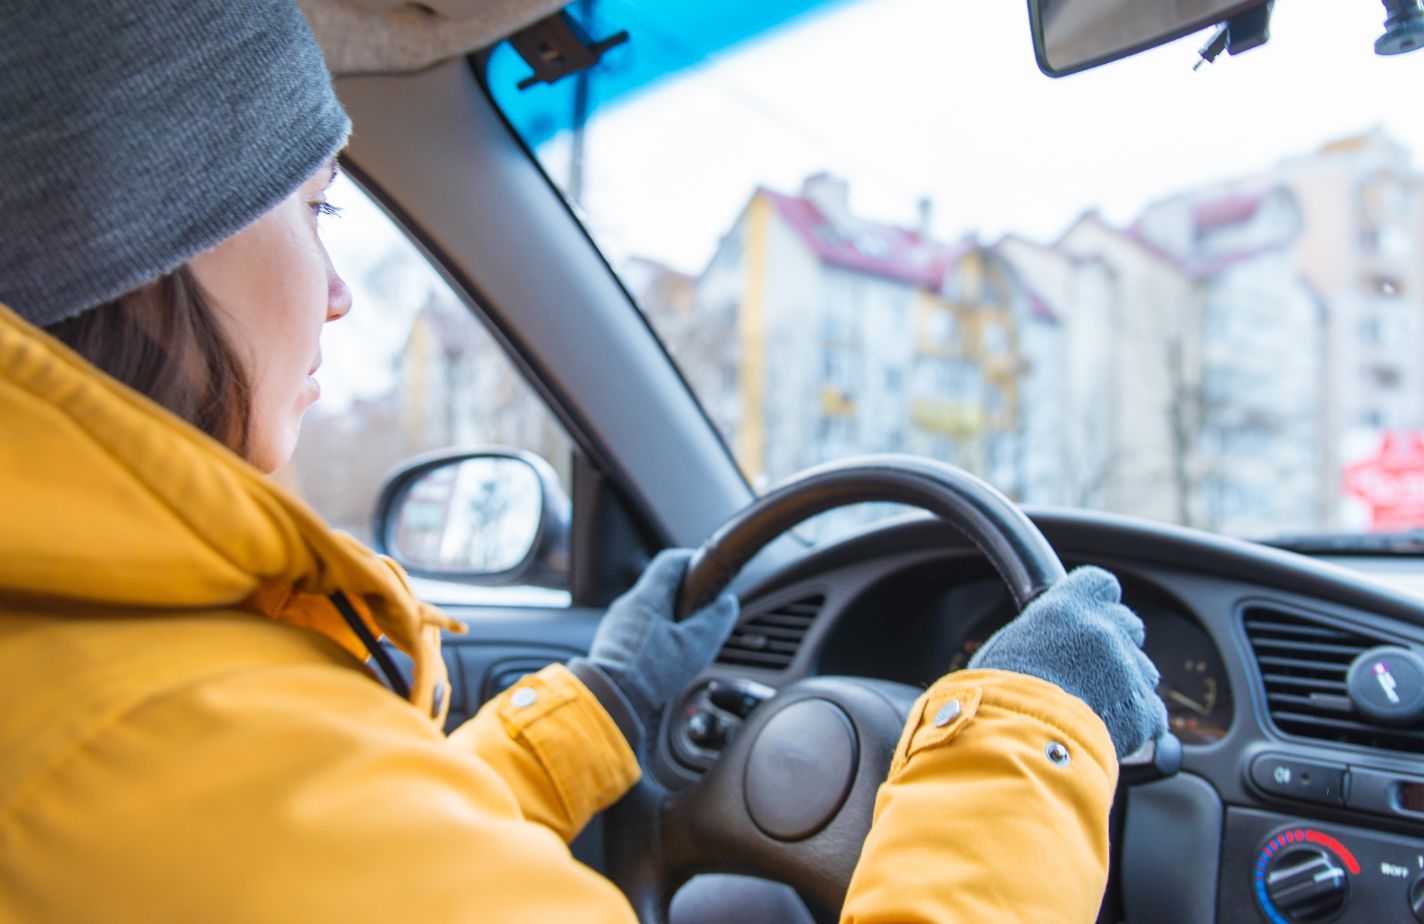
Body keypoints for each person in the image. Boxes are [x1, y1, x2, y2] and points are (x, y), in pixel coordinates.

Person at [0, 1, 1168, 921]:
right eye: (318, 210)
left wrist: (602, 705)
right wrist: (1033, 738)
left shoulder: (97, 707)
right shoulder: (189, 747)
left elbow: (368, 867)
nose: (341, 294)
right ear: (152, 241)